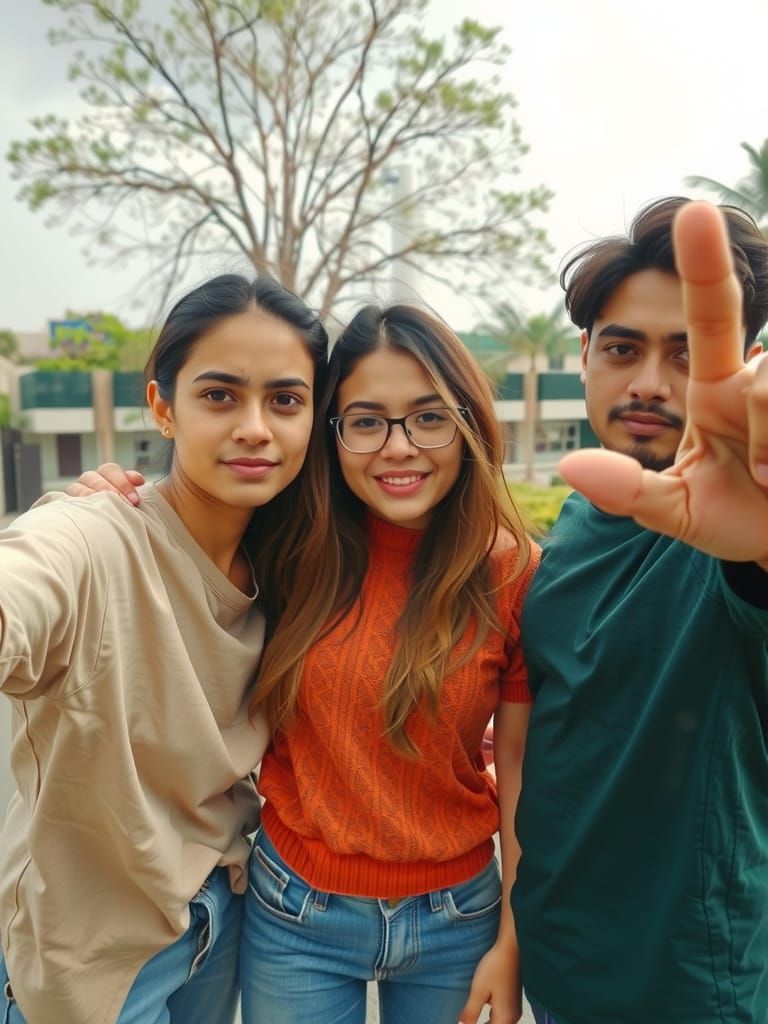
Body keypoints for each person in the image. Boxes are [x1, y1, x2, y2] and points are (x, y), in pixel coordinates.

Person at [71, 304, 541, 1023]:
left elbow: (519, 769)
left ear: (468, 422)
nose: (399, 447)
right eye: (367, 421)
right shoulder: (290, 544)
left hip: (458, 917)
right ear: (333, 431)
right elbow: (175, 521)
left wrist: (512, 938)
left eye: (429, 417)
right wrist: (104, 500)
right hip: (297, 916)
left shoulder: (511, 571)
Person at [0, 273, 328, 1024]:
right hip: (93, 962)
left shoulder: (292, 566)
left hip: (219, 919)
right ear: (163, 406)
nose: (255, 428)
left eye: (285, 400)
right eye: (219, 395)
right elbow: (28, 580)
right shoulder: (97, 534)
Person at [512, 198, 768, 1024]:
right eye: (624, 348)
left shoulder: (736, 537)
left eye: (686, 354)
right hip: (558, 964)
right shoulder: (577, 516)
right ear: (586, 355)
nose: (650, 382)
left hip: (689, 988)